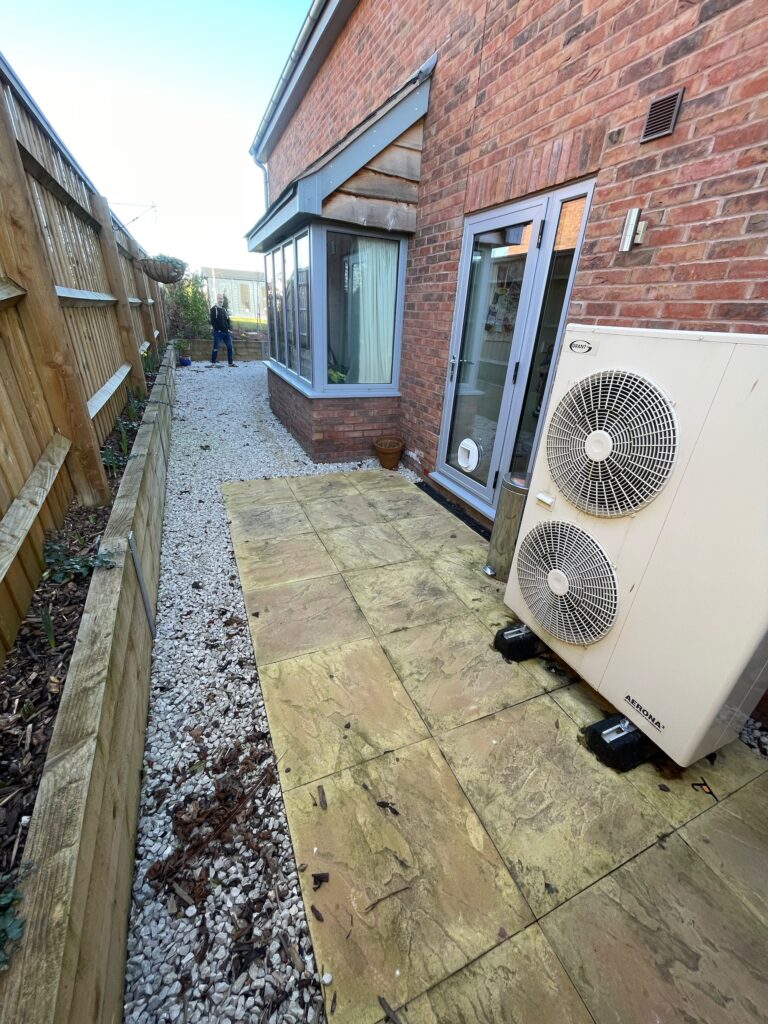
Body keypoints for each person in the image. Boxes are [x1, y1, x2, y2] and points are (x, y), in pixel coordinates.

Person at [210, 294, 236, 366]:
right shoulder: (213, 309)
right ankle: (213, 363)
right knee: (216, 347)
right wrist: (217, 329)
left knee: (230, 347)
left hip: (226, 333)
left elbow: (228, 320)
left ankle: (230, 363)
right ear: (217, 299)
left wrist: (229, 329)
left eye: (221, 298)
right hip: (218, 333)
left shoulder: (224, 309)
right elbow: (212, 321)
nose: (220, 300)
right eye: (219, 298)